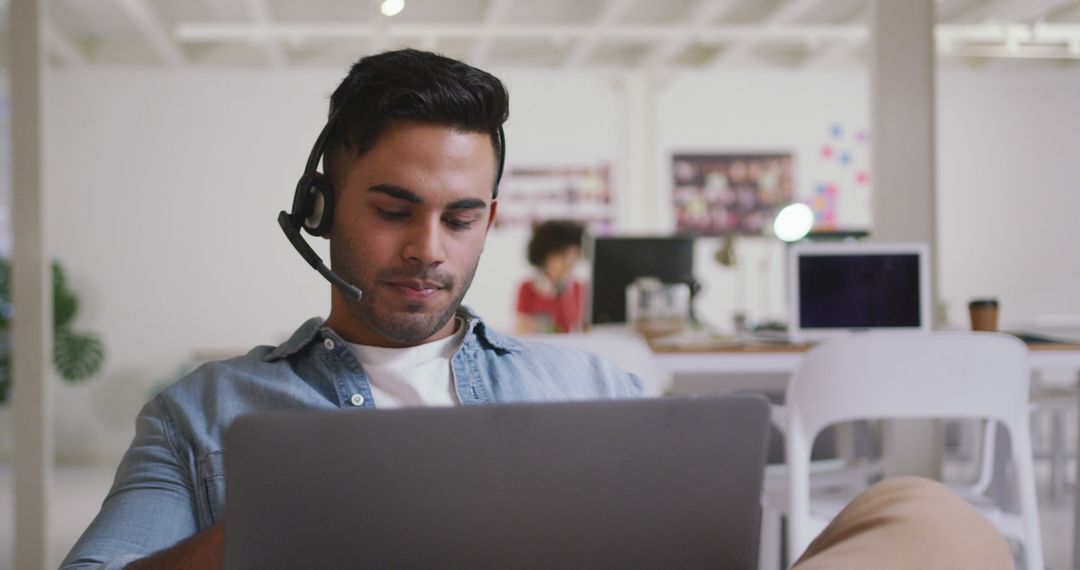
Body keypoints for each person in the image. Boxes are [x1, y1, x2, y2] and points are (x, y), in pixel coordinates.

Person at [62, 49, 1014, 570]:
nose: (429, 248)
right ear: (322, 207)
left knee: (927, 512)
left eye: (461, 216)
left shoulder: (590, 382)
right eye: (393, 209)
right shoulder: (202, 413)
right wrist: (292, 532)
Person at [515, 219, 586, 334]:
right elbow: (521, 328)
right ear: (545, 256)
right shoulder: (527, 287)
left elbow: (580, 326)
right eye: (562, 255)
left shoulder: (578, 288)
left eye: (574, 255)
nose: (568, 262)